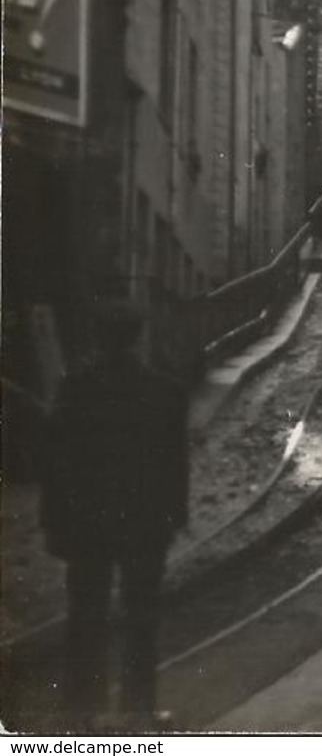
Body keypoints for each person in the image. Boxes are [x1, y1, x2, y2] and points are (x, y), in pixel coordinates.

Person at [42, 304, 189, 731]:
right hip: (145, 525)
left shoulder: (75, 389)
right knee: (141, 616)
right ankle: (138, 712)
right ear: (137, 338)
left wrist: (53, 523)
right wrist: (174, 519)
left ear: (97, 340)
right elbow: (175, 466)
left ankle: (80, 712)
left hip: (87, 524)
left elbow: (56, 465)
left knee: (85, 615)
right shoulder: (165, 391)